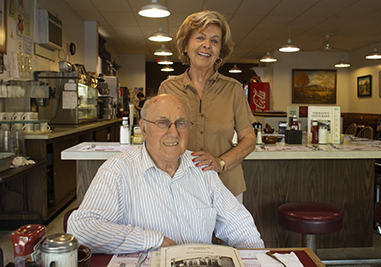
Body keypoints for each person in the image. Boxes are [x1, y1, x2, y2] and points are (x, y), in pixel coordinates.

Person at [67, 94, 264, 254]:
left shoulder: (201, 168)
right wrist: (155, 240)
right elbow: (82, 229)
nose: (173, 132)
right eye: (163, 123)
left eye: (181, 123)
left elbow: (238, 223)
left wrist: (257, 257)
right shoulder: (118, 170)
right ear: (144, 128)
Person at [158, 11, 256, 201]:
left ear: (220, 50)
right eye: (200, 37)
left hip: (226, 187)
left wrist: (221, 162)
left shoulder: (233, 89)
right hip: (180, 188)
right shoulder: (168, 88)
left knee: (229, 233)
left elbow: (249, 138)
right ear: (185, 45)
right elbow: (158, 137)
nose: (207, 45)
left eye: (214, 41)